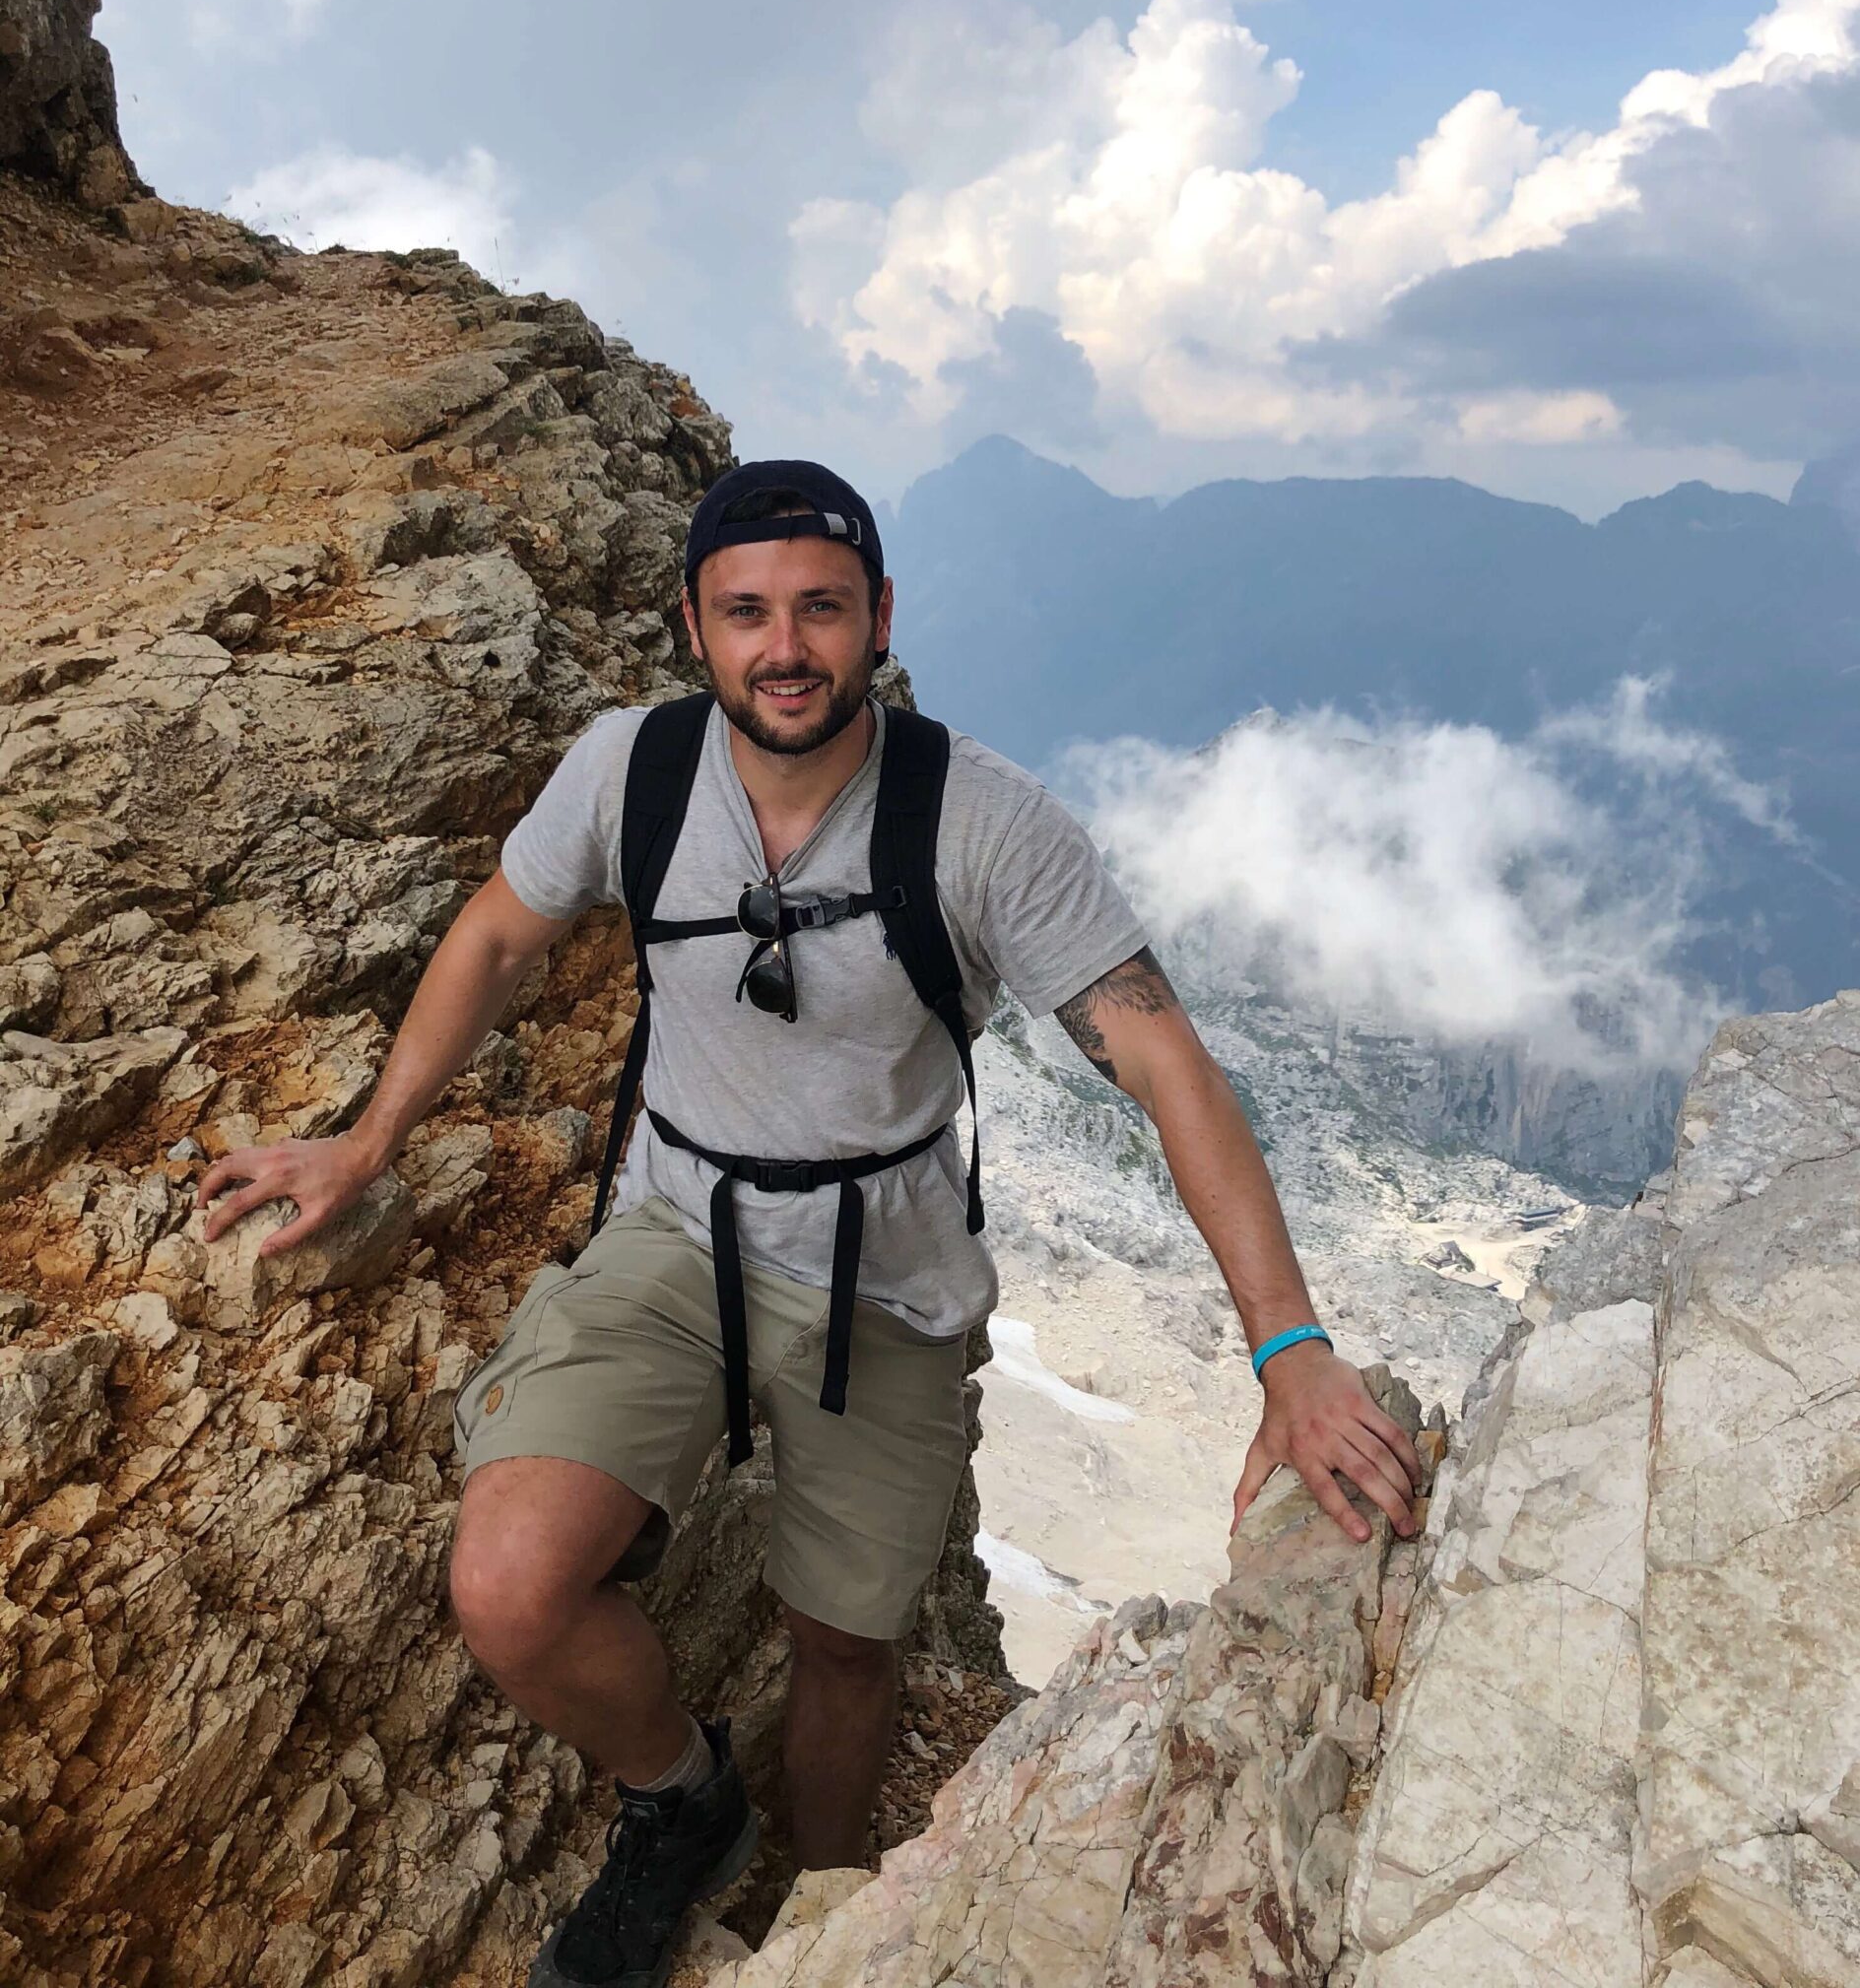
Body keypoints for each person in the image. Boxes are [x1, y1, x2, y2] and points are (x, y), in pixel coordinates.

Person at [197, 456, 1422, 1988]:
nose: (787, 647)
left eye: (822, 609)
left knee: (846, 1643)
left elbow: (1162, 1055)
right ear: (696, 628)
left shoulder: (980, 823)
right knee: (509, 1588)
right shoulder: (630, 772)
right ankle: (683, 1802)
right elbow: (505, 926)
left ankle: (828, 1918)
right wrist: (368, 1141)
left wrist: (1289, 1348)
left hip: (886, 1279)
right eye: (749, 612)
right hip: (673, 1231)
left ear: (879, 617)